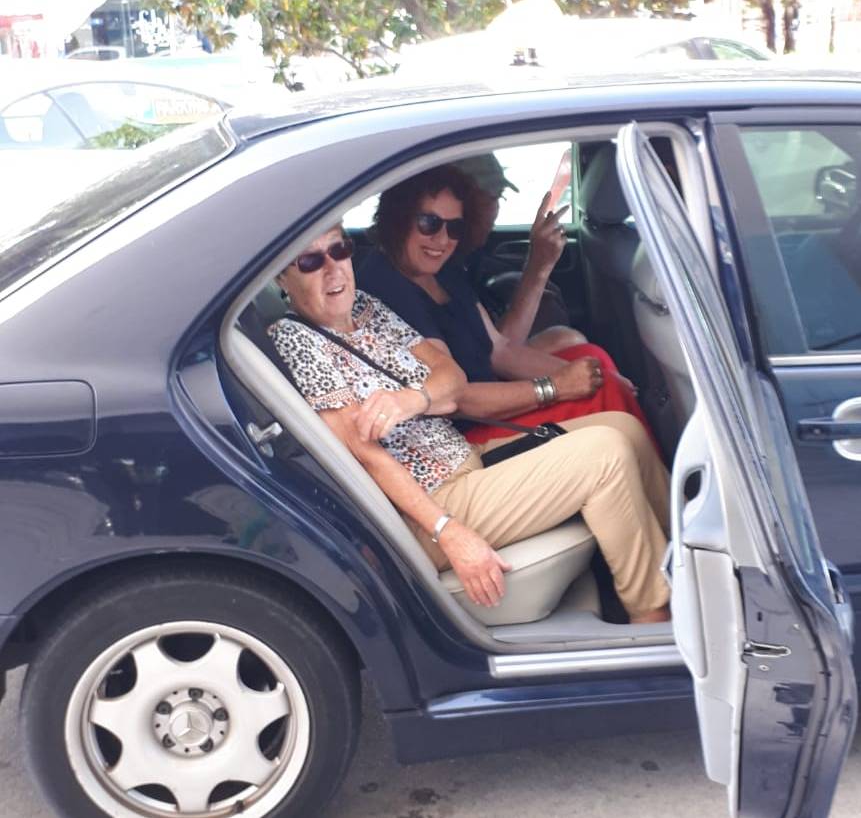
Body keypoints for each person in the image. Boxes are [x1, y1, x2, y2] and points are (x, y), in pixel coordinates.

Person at [268, 225, 671, 623]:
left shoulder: (365, 309)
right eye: (310, 261)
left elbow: (451, 375)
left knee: (624, 429)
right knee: (605, 454)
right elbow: (365, 456)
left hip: (464, 461)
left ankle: (684, 558)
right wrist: (447, 531)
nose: (333, 269)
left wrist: (415, 398)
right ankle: (651, 615)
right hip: (428, 506)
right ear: (282, 277)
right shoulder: (295, 340)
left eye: (339, 250)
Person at [356, 165, 656, 447]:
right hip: (463, 435)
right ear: (398, 218)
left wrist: (596, 375)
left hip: (491, 402)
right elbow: (458, 400)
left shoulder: (443, 270)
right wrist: (556, 386)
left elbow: (499, 350)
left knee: (592, 359)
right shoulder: (387, 285)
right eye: (429, 223)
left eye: (455, 228)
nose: (442, 239)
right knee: (604, 396)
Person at [450, 153, 583, 353]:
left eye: (499, 197)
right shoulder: (442, 268)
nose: (495, 210)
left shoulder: (464, 259)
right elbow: (499, 352)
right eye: (489, 200)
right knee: (568, 340)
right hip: (478, 367)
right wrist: (539, 266)